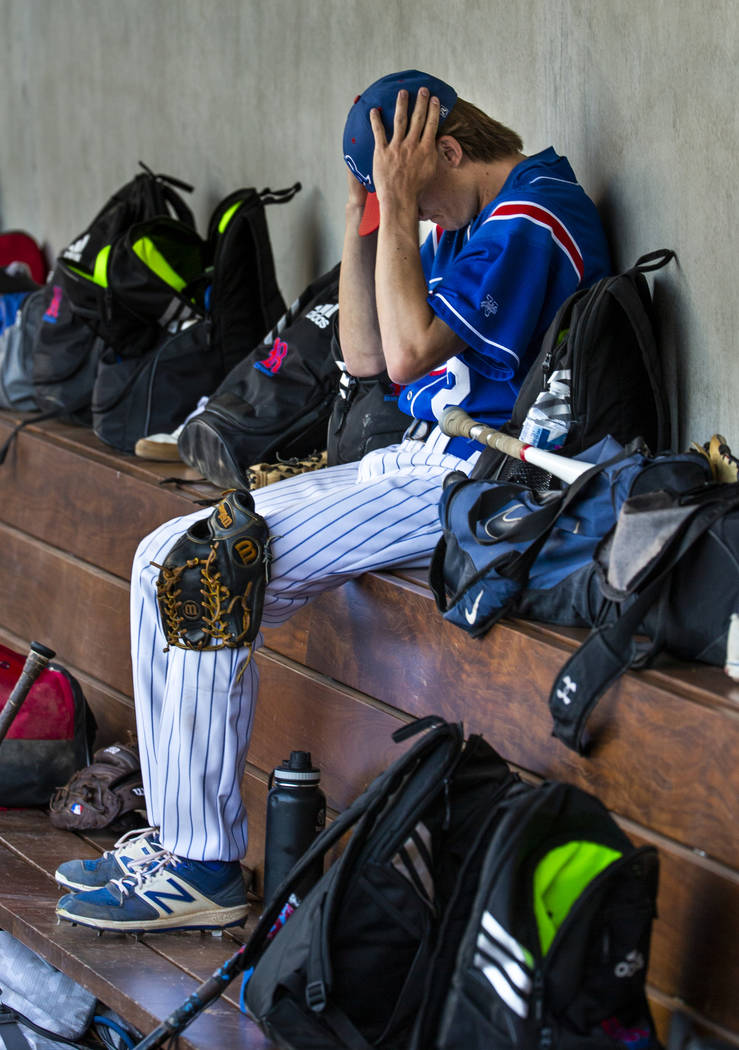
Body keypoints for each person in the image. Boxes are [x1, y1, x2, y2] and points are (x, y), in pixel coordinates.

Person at [54, 69, 611, 932]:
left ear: (451, 150)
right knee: (163, 551)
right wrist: (369, 212)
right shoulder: (470, 219)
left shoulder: (535, 213)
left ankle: (201, 866)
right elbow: (358, 353)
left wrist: (396, 200)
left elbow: (406, 358)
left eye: (419, 193)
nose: (417, 216)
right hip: (422, 461)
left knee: (214, 560)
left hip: (480, 483)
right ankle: (173, 843)